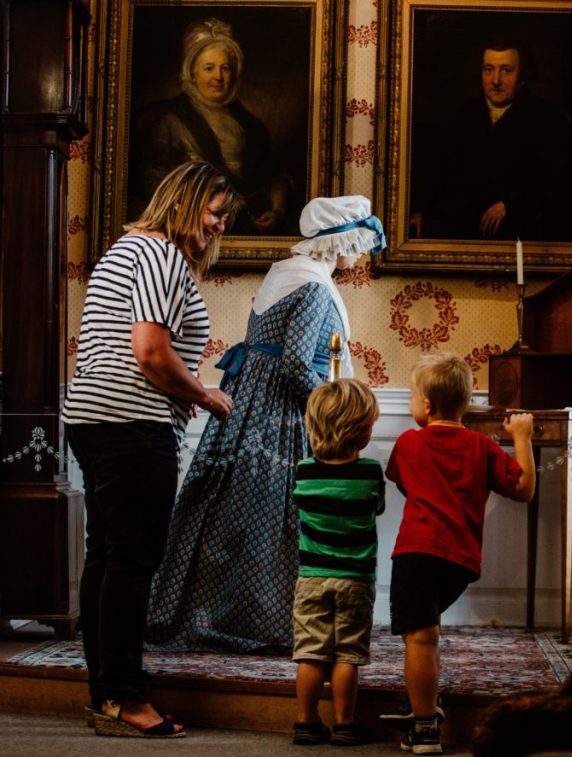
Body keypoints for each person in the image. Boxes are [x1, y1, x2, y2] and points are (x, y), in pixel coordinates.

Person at [146, 195, 385, 653]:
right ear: (340, 240)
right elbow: (296, 363)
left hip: (249, 405)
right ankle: (264, 623)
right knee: (278, 513)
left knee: (236, 511)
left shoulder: (284, 272)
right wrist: (338, 408)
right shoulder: (313, 286)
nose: (360, 253)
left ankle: (211, 611)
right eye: (358, 242)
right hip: (283, 413)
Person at [62, 160, 242, 738]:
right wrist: (204, 395)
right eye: (214, 213)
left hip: (93, 418)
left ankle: (107, 695)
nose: (219, 226)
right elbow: (150, 352)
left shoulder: (127, 248)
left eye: (224, 218)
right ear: (185, 202)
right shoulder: (163, 255)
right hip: (131, 424)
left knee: (109, 557)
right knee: (133, 561)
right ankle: (124, 698)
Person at [382, 353, 536, 754]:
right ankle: (421, 702)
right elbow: (523, 490)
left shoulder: (408, 442)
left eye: (414, 397)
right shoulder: (482, 446)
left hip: (416, 553)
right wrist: (522, 438)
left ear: (427, 405)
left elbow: (403, 483)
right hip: (460, 561)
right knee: (426, 632)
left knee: (420, 639)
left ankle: (424, 727)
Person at [410, 37, 572, 241]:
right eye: (488, 69)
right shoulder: (464, 116)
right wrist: (420, 209)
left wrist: (512, 205)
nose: (495, 80)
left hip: (521, 234)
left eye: (506, 70)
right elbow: (438, 171)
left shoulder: (548, 120)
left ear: (523, 75)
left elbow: (564, 185)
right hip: (464, 234)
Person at [128, 18, 291, 235]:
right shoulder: (168, 120)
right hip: (193, 231)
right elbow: (155, 187)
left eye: (225, 68)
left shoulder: (250, 126)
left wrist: (277, 211)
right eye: (209, 68)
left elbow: (274, 176)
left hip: (250, 229)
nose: (218, 77)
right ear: (192, 74)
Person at [290, 379, 383, 747]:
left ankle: (306, 723)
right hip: (356, 579)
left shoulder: (304, 471)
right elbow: (376, 509)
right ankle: (344, 724)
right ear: (359, 432)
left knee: (310, 653)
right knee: (347, 654)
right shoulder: (370, 472)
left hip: (311, 579)